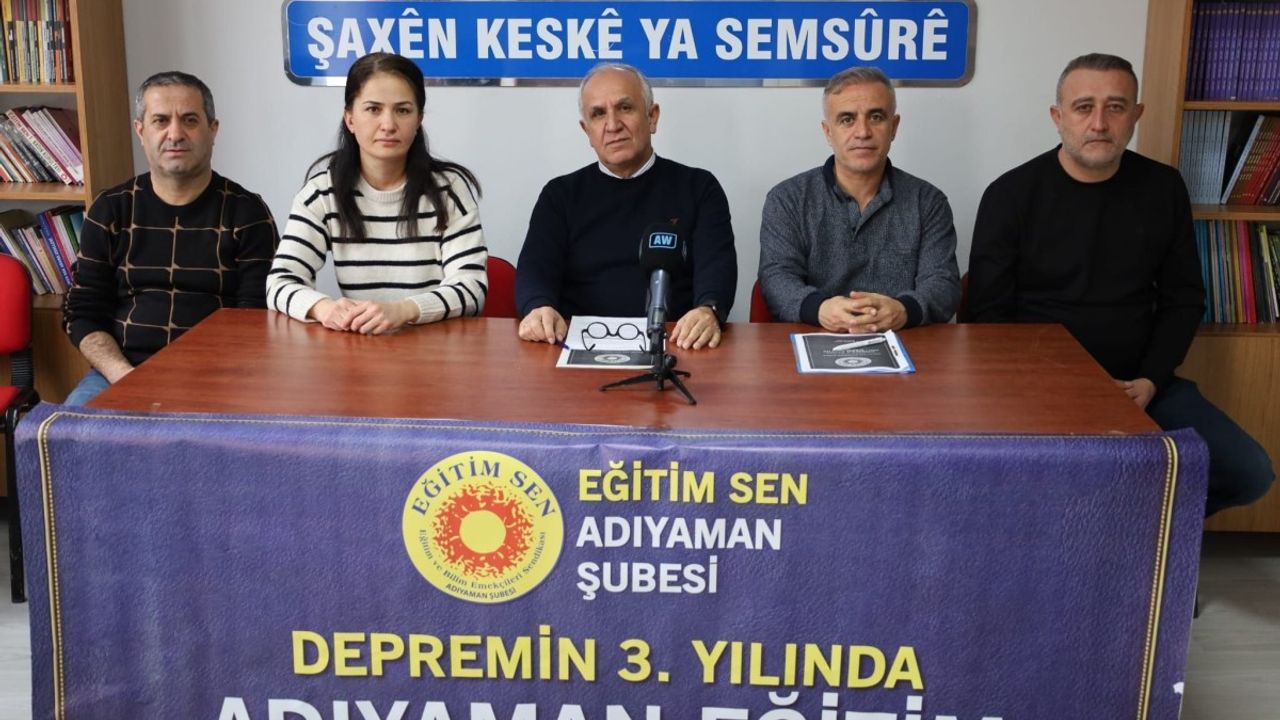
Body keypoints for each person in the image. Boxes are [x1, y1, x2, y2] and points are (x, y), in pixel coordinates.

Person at [968, 53, 1274, 516]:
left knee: (1249, 472)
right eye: (1083, 107)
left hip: (1141, 384)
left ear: (1136, 114)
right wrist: (1062, 390)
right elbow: (987, 317)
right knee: (1034, 482)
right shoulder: (1010, 194)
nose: (1099, 123)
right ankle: (1108, 534)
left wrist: (1150, 380)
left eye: (1115, 107)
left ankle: (1136, 532)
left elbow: (1184, 299)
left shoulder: (1163, 188)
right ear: (1057, 117)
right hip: (1040, 388)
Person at [62, 71, 278, 406]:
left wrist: (201, 387)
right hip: (121, 372)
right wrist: (127, 378)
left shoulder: (247, 213)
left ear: (213, 129)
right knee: (71, 430)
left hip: (219, 379)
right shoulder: (110, 209)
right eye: (160, 120)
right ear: (140, 131)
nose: (175, 134)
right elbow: (82, 312)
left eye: (190, 120)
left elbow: (255, 320)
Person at [515, 63, 737, 350]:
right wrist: (538, 307)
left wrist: (708, 310)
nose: (612, 125)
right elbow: (534, 271)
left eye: (625, 108)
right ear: (586, 130)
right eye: (598, 114)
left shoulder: (699, 188)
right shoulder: (559, 195)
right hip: (578, 346)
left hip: (677, 345)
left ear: (652, 117)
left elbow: (717, 270)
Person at [267, 52, 485, 333]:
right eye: (373, 109)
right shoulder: (322, 193)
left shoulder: (449, 190)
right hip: (359, 345)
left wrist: (403, 310)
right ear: (350, 119)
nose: (388, 125)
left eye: (403, 110)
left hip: (434, 345)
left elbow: (471, 288)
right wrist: (325, 308)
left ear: (419, 119)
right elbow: (280, 282)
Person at [758, 67, 960, 332]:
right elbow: (776, 278)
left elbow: (943, 283)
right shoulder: (787, 200)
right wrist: (820, 309)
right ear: (828, 132)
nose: (863, 132)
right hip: (813, 337)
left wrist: (903, 311)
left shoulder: (928, 202)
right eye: (847, 119)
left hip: (905, 341)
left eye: (876, 117)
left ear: (894, 127)